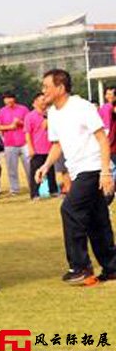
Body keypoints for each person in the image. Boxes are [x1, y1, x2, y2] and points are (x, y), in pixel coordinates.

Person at [35, 69, 116, 285]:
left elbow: (102, 139)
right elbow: (58, 144)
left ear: (60, 88)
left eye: (46, 87)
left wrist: (106, 172)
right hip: (78, 170)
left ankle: (80, 267)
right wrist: (45, 165)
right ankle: (111, 268)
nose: (43, 91)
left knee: (69, 209)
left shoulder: (82, 107)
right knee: (97, 220)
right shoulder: (53, 113)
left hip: (93, 169)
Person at [0, 92, 31, 195]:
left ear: (14, 99)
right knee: (11, 168)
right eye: (6, 99)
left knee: (29, 167)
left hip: (24, 142)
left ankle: (33, 186)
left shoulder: (23, 109)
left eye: (10, 98)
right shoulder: (1, 112)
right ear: (4, 100)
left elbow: (29, 124)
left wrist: (20, 123)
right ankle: (14, 189)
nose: (9, 100)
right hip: (9, 143)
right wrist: (9, 127)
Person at [24, 93, 58, 200]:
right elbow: (28, 133)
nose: (44, 101)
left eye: (45, 99)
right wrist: (30, 147)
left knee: (51, 171)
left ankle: (53, 190)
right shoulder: (30, 116)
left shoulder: (51, 114)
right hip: (37, 149)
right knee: (36, 171)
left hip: (50, 147)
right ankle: (34, 193)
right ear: (35, 102)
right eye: (42, 99)